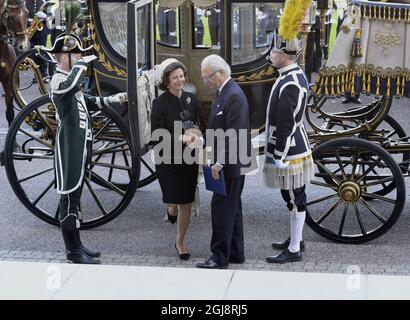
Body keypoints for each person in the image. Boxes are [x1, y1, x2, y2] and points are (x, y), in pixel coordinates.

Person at [49, 3, 127, 264]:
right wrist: (81, 65)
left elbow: (87, 101)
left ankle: (79, 246)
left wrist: (113, 99)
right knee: (69, 201)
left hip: (79, 147)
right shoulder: (59, 80)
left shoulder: (70, 78)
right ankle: (73, 253)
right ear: (62, 57)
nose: (77, 58)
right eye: (73, 55)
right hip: (69, 148)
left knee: (77, 200)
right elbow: (71, 86)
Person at [263, 0, 314, 264]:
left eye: (273, 53)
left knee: (295, 199)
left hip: (290, 150)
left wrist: (278, 155)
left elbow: (286, 124)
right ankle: (296, 238)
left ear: (284, 55)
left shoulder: (290, 82)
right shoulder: (291, 76)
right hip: (291, 146)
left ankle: (294, 248)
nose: (270, 55)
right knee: (292, 197)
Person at [195, 55, 251, 269]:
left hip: (229, 164)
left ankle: (219, 257)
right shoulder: (225, 93)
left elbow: (234, 135)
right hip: (229, 161)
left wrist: (219, 163)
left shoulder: (233, 96)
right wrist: (201, 141)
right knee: (232, 208)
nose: (205, 82)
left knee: (221, 209)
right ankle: (235, 252)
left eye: (206, 77)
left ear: (219, 73)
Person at [150, 61, 201, 261]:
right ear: (167, 82)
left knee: (186, 202)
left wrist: (196, 132)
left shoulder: (192, 99)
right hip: (167, 159)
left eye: (181, 76)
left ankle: (180, 242)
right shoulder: (160, 103)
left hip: (188, 158)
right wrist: (182, 136)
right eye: (175, 77)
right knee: (173, 200)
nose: (180, 80)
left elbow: (199, 123)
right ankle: (171, 208)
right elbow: (157, 135)